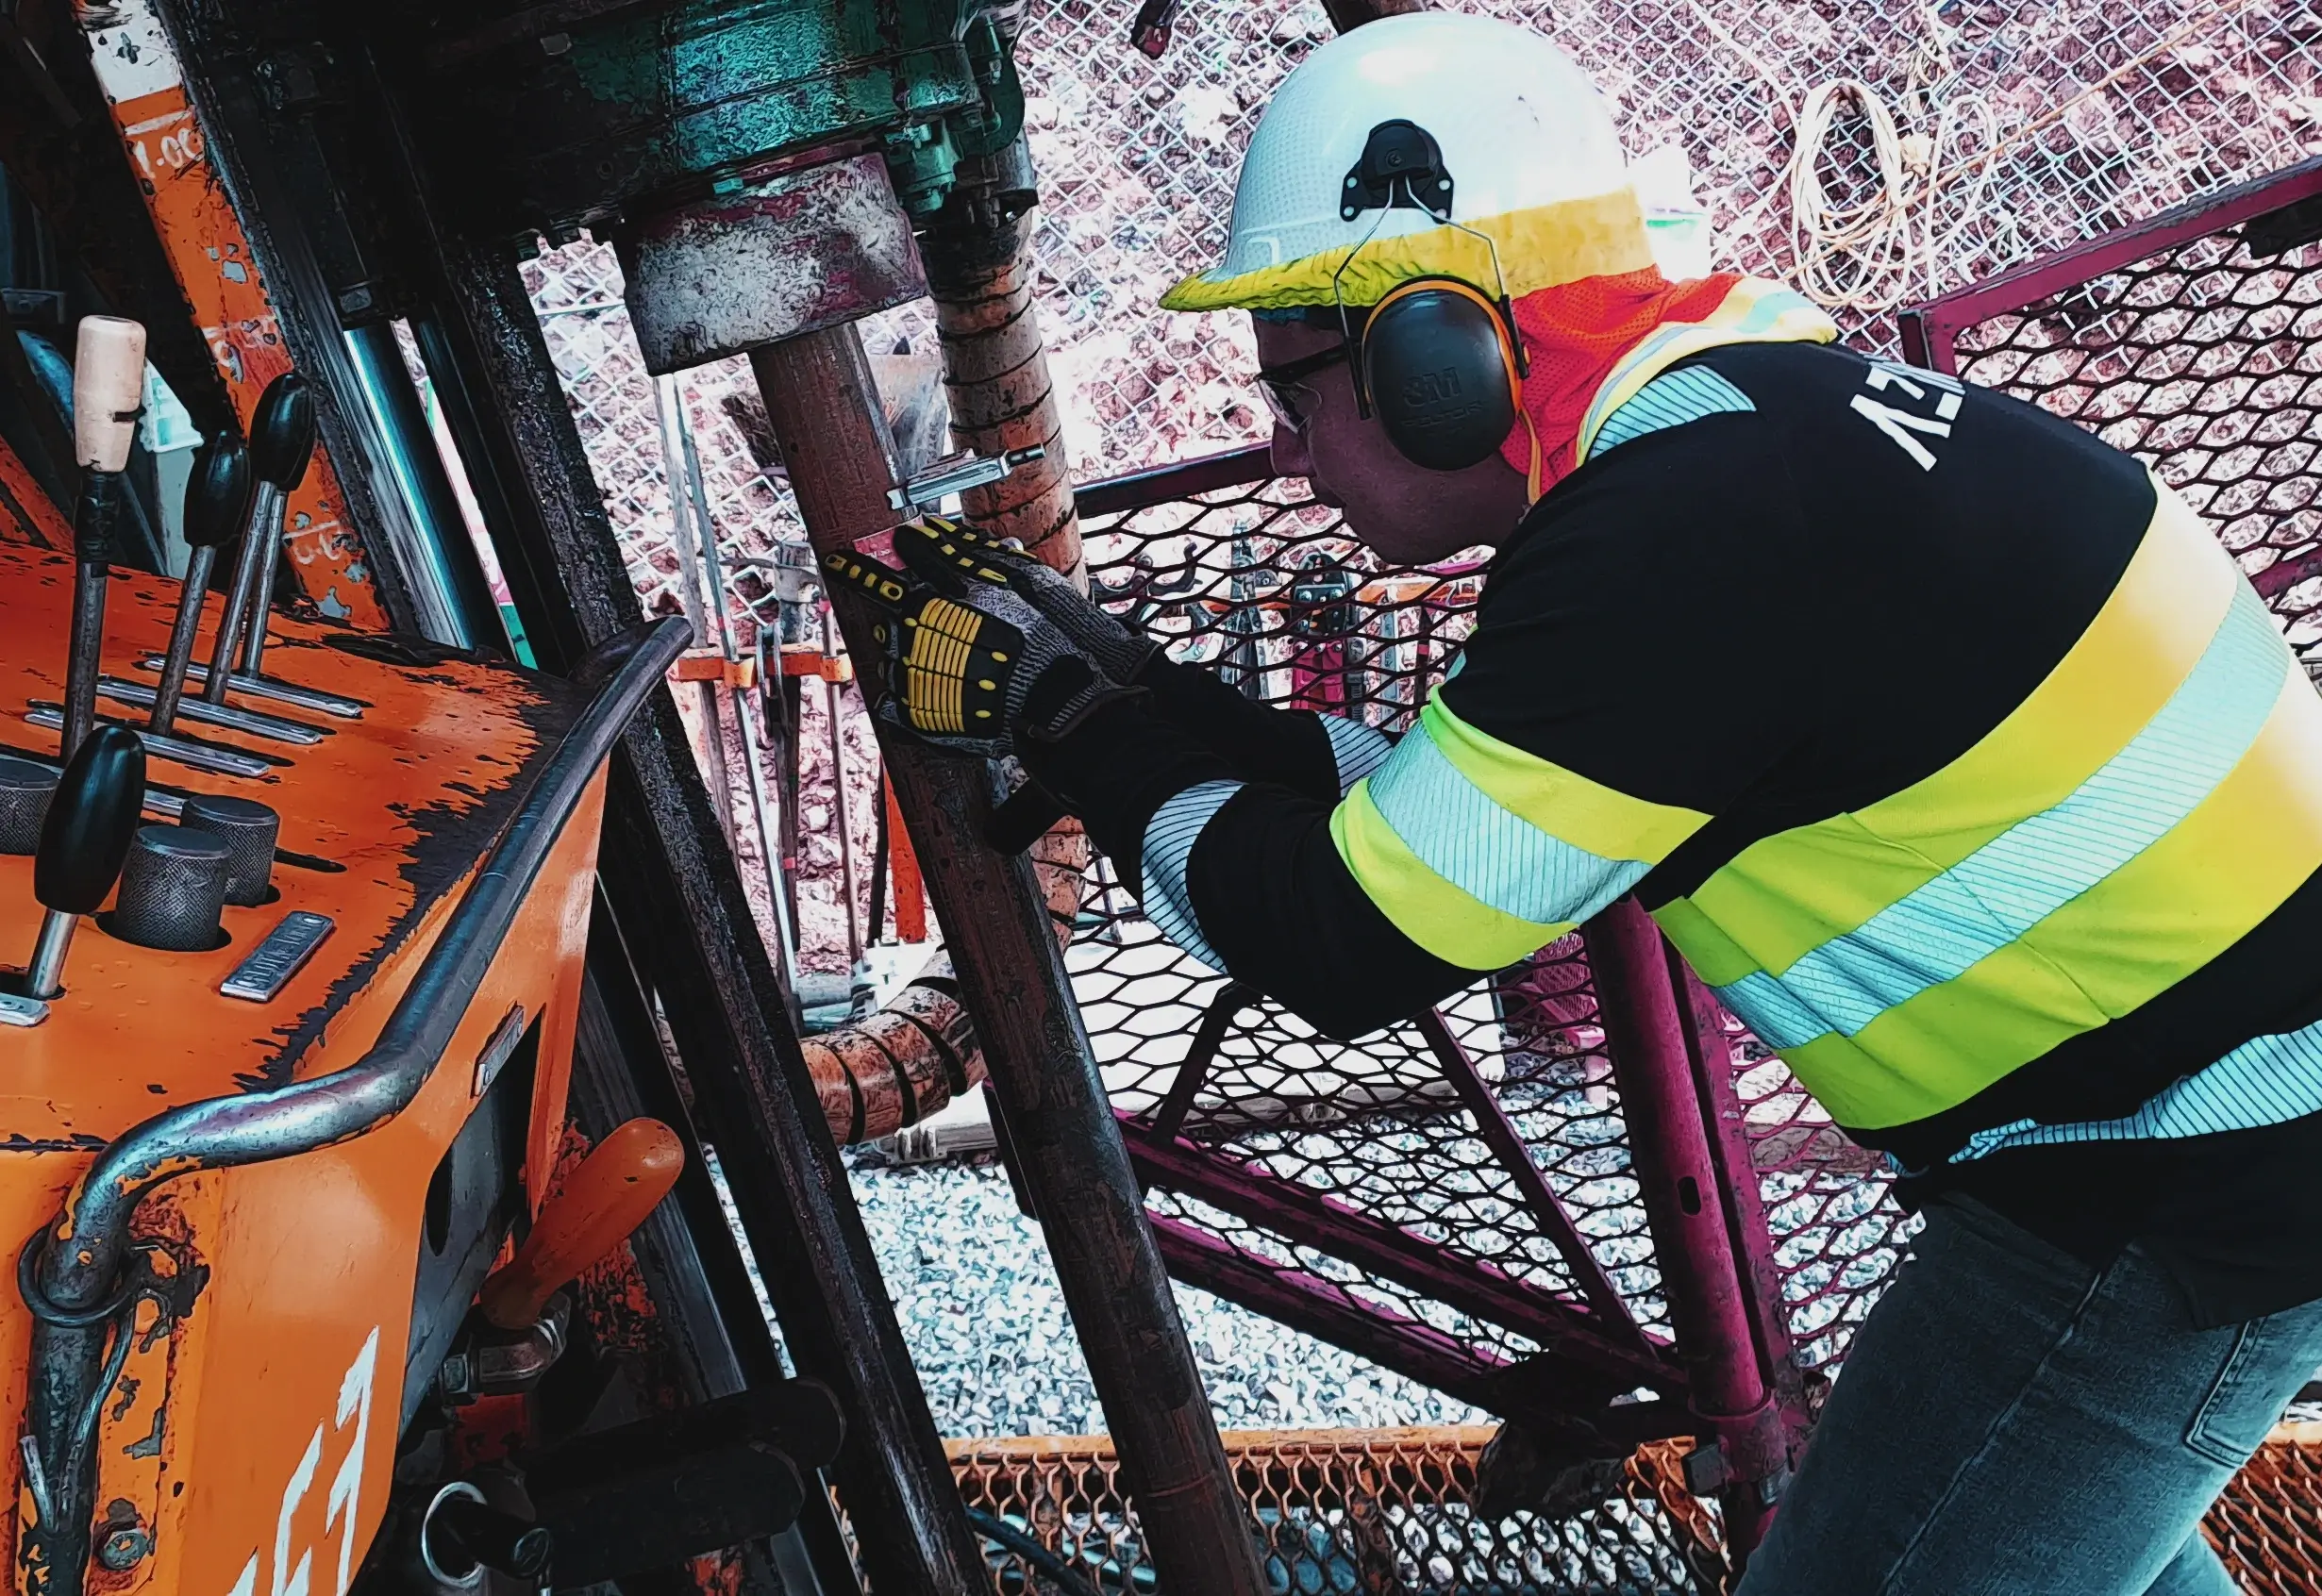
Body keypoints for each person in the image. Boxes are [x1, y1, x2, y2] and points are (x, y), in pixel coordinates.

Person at [827, 12, 2322, 1591]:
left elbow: (1346, 938)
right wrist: (1142, 700)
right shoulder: (1737, 435)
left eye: (1298, 393)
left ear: (1434, 353)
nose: (1287, 453)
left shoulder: (1675, 539)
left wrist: (1070, 720)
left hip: (2180, 1172)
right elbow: (1434, 830)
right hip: (2200, 1126)